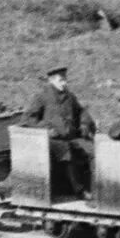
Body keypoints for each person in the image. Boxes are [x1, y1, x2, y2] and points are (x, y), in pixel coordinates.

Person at [17, 64, 92, 197]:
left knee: (91, 150)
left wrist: (84, 125)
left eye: (65, 79)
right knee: (66, 152)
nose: (64, 83)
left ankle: (94, 188)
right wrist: (46, 130)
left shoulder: (70, 96)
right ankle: (79, 191)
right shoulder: (41, 96)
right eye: (61, 80)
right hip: (50, 139)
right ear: (51, 80)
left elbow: (82, 112)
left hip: (70, 136)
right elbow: (27, 119)